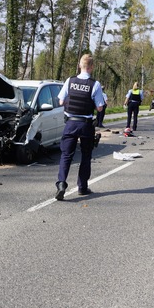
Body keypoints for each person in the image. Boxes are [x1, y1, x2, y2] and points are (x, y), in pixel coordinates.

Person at [54, 53, 105, 201]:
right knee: (86, 156)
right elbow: (100, 108)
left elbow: (60, 102)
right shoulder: (95, 85)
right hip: (86, 125)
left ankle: (62, 184)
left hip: (70, 123)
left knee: (66, 155)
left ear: (80, 66)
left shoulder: (70, 81)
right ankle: (82, 187)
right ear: (92, 67)